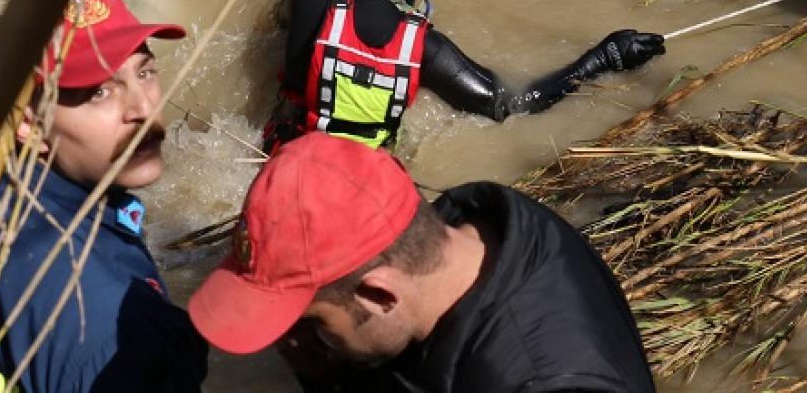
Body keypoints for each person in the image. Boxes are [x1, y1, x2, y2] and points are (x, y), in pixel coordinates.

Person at [188, 133, 655, 392]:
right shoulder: (462, 228)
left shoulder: (546, 382)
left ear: (379, 293)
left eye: (308, 324)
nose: (291, 343)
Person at [0, 0, 207, 393]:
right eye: (100, 91)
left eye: (145, 72)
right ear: (29, 122)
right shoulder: (117, 330)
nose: (144, 110)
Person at [264, 0, 666, 152]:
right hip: (359, 185)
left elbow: (275, 23)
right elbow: (509, 106)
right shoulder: (425, 49)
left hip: (283, 154)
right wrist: (603, 58)